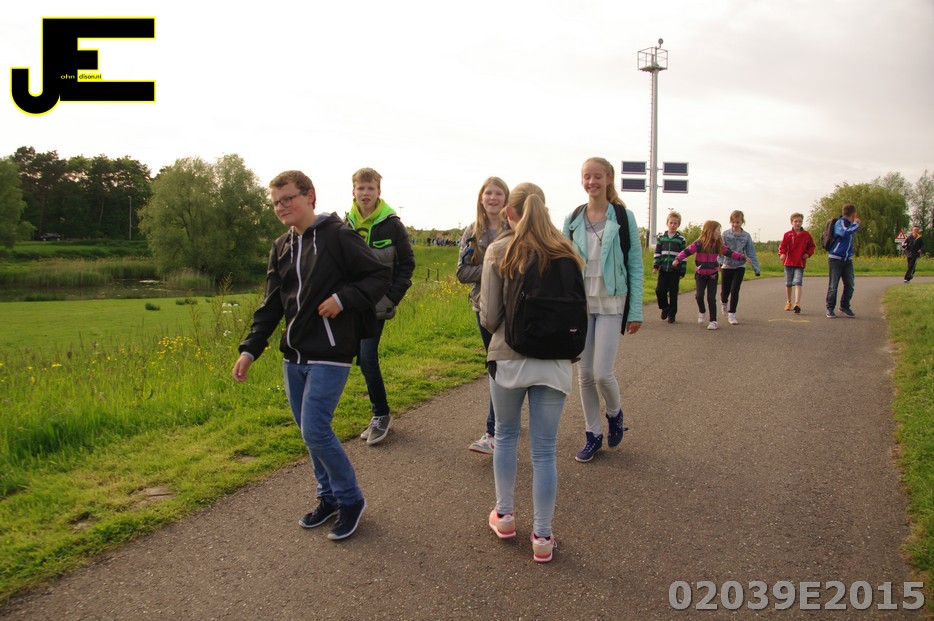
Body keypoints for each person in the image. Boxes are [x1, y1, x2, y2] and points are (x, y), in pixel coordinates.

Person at [232, 170, 390, 541]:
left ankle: (351, 499)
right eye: (276, 202)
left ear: (310, 196)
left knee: (316, 429)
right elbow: (271, 305)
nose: (281, 207)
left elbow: (377, 276)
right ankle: (328, 497)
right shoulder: (281, 247)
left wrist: (342, 300)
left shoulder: (338, 235)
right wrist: (250, 349)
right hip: (294, 355)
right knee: (309, 433)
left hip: (331, 351)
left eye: (288, 198)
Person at [480, 182, 583, 563]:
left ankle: (505, 516)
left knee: (506, 435)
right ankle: (542, 535)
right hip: (554, 363)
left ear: (509, 212)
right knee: (543, 451)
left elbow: (491, 316)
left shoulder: (499, 250)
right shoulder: (566, 250)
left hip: (508, 357)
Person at [563, 157, 643, 463]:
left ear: (609, 178)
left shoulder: (623, 216)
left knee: (602, 373)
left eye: (597, 176)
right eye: (587, 176)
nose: (591, 182)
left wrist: (635, 311)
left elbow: (635, 264)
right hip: (581, 305)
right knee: (584, 375)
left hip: (611, 302)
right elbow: (564, 263)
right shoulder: (572, 218)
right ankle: (592, 434)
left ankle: (615, 413)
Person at [346, 168, 415, 446]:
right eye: (361, 188)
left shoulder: (392, 225)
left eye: (370, 188)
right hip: (350, 304)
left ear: (378, 192)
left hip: (376, 305)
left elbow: (407, 266)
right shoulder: (345, 224)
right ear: (353, 191)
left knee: (367, 357)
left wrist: (390, 299)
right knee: (347, 359)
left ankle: (381, 415)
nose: (365, 193)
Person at [457, 177, 510, 455]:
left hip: (511, 307)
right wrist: (492, 268)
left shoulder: (514, 229)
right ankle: (501, 422)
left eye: (498, 193)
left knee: (500, 365)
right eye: (488, 193)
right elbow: (462, 272)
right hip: (483, 307)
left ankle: (494, 431)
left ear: (506, 199)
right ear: (481, 198)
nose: (493, 198)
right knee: (494, 364)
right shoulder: (472, 232)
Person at [672, 220, 750, 331]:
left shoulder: (718, 245)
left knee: (711, 298)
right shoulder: (699, 244)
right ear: (710, 231)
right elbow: (686, 251)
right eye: (718, 230)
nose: (719, 232)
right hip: (700, 274)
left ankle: (713, 321)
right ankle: (702, 311)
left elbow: (730, 252)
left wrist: (743, 257)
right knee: (699, 296)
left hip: (712, 275)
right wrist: (677, 259)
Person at [718, 210, 760, 325]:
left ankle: (732, 314)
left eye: (737, 222)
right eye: (733, 222)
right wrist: (719, 263)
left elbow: (751, 252)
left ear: (742, 222)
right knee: (725, 291)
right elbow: (721, 249)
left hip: (740, 265)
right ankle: (724, 302)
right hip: (727, 265)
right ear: (730, 222)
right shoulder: (725, 234)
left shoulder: (746, 236)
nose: (735, 224)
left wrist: (756, 268)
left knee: (735, 289)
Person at [825, 203, 860, 318]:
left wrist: (853, 225)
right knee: (833, 285)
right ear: (853, 214)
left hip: (847, 259)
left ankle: (845, 306)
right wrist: (856, 224)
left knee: (850, 284)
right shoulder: (840, 223)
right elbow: (844, 232)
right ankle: (830, 308)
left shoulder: (850, 225)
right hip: (835, 258)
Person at [653, 211, 687, 324]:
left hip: (674, 271)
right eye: (671, 223)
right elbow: (657, 253)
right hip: (663, 269)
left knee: (673, 293)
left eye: (675, 223)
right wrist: (656, 266)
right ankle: (665, 307)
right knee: (659, 290)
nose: (673, 225)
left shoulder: (681, 239)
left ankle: (672, 314)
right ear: (667, 223)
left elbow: (684, 255)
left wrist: (682, 270)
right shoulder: (661, 238)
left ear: (678, 225)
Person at [778, 212, 816, 313]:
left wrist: (808, 254)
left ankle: (797, 303)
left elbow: (812, 246)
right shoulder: (787, 235)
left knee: (798, 282)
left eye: (800, 221)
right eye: (796, 221)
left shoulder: (806, 235)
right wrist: (782, 254)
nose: (798, 223)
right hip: (789, 262)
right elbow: (782, 246)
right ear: (791, 222)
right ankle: (789, 301)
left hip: (800, 262)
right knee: (788, 283)